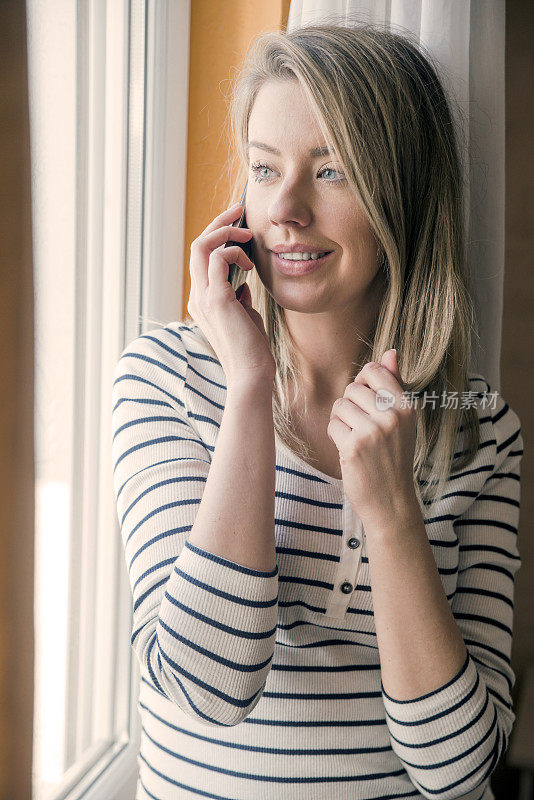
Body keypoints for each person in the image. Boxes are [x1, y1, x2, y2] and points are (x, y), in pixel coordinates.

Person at [111, 20, 523, 800]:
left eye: (331, 172)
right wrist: (249, 389)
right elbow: (208, 687)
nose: (287, 211)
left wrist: (394, 511)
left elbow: (459, 773)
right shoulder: (164, 381)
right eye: (265, 171)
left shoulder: (477, 428)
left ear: (400, 194)